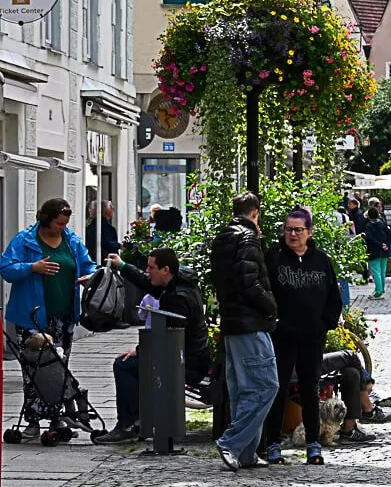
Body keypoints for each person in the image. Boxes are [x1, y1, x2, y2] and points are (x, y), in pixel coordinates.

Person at [0, 199, 96, 438]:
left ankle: (56, 419)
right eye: (59, 223)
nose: (63, 227)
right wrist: (32, 268)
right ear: (46, 220)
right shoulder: (25, 240)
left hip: (63, 317)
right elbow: (7, 268)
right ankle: (33, 421)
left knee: (58, 370)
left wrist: (89, 277)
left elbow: (88, 265)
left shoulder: (71, 241)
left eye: (65, 224)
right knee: (34, 369)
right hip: (31, 318)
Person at [94, 248, 210, 444]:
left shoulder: (177, 297)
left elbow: (170, 338)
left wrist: (140, 351)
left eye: (151, 267)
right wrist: (122, 266)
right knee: (131, 363)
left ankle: (129, 425)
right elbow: (145, 282)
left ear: (165, 270)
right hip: (188, 356)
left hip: (187, 362)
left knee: (124, 365)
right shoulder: (176, 283)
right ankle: (136, 421)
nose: (147, 271)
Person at [261, 210, 349, 465]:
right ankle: (273, 443)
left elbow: (334, 297)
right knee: (278, 388)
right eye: (289, 229)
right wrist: (273, 323)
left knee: (311, 390)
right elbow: (263, 293)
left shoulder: (321, 260)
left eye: (299, 230)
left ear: (309, 232)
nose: (293, 234)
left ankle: (313, 443)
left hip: (312, 336)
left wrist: (325, 325)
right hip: (283, 336)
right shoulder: (274, 259)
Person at [210, 192, 279, 472]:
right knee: (266, 385)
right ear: (256, 212)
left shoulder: (222, 237)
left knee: (242, 390)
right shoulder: (247, 238)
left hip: (232, 323)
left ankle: (247, 453)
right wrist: (272, 307)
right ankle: (232, 443)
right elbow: (250, 284)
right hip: (250, 322)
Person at [362, 207, 391, 299]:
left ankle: (378, 291)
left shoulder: (368, 226)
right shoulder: (382, 223)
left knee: (376, 271)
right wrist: (386, 244)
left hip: (374, 250)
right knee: (382, 271)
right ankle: (381, 289)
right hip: (384, 250)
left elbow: (370, 238)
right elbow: (389, 233)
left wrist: (379, 244)